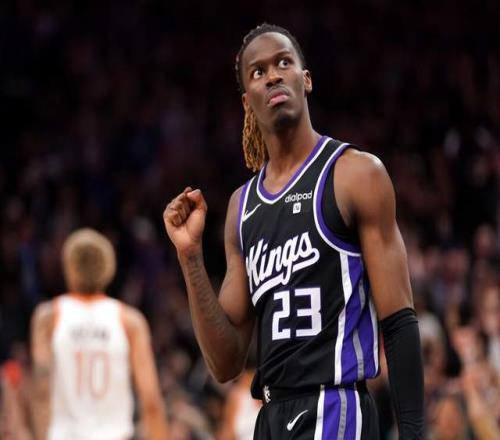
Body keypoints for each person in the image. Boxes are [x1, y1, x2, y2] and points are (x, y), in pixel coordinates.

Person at [164, 23, 424, 439]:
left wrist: (413, 434)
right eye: (258, 71)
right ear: (247, 101)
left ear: (306, 79)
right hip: (270, 416)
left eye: (283, 63)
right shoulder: (241, 207)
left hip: (335, 407)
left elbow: (399, 322)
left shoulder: (355, 174)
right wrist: (190, 257)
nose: (273, 76)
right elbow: (225, 363)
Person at [31, 228, 168, 440]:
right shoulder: (129, 321)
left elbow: (41, 391)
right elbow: (150, 400)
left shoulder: (48, 317)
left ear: (69, 267)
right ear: (109, 269)